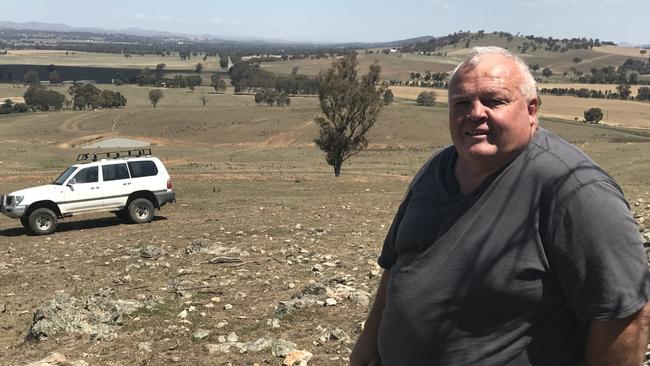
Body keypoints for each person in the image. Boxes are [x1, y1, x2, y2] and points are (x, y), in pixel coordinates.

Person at [350, 46, 650, 366]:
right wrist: (368, 344)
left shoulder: (576, 191)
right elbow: (397, 264)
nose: (475, 113)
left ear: (531, 109)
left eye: (494, 100)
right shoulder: (437, 169)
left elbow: (626, 316)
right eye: (461, 103)